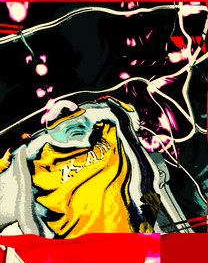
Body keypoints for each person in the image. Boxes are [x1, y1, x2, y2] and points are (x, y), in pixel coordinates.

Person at [0, 97, 164, 237]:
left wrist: (111, 102)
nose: (75, 126)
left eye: (76, 119)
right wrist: (9, 155)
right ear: (51, 131)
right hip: (80, 252)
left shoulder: (107, 133)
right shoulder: (37, 161)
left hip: (133, 238)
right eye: (65, 124)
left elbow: (132, 120)